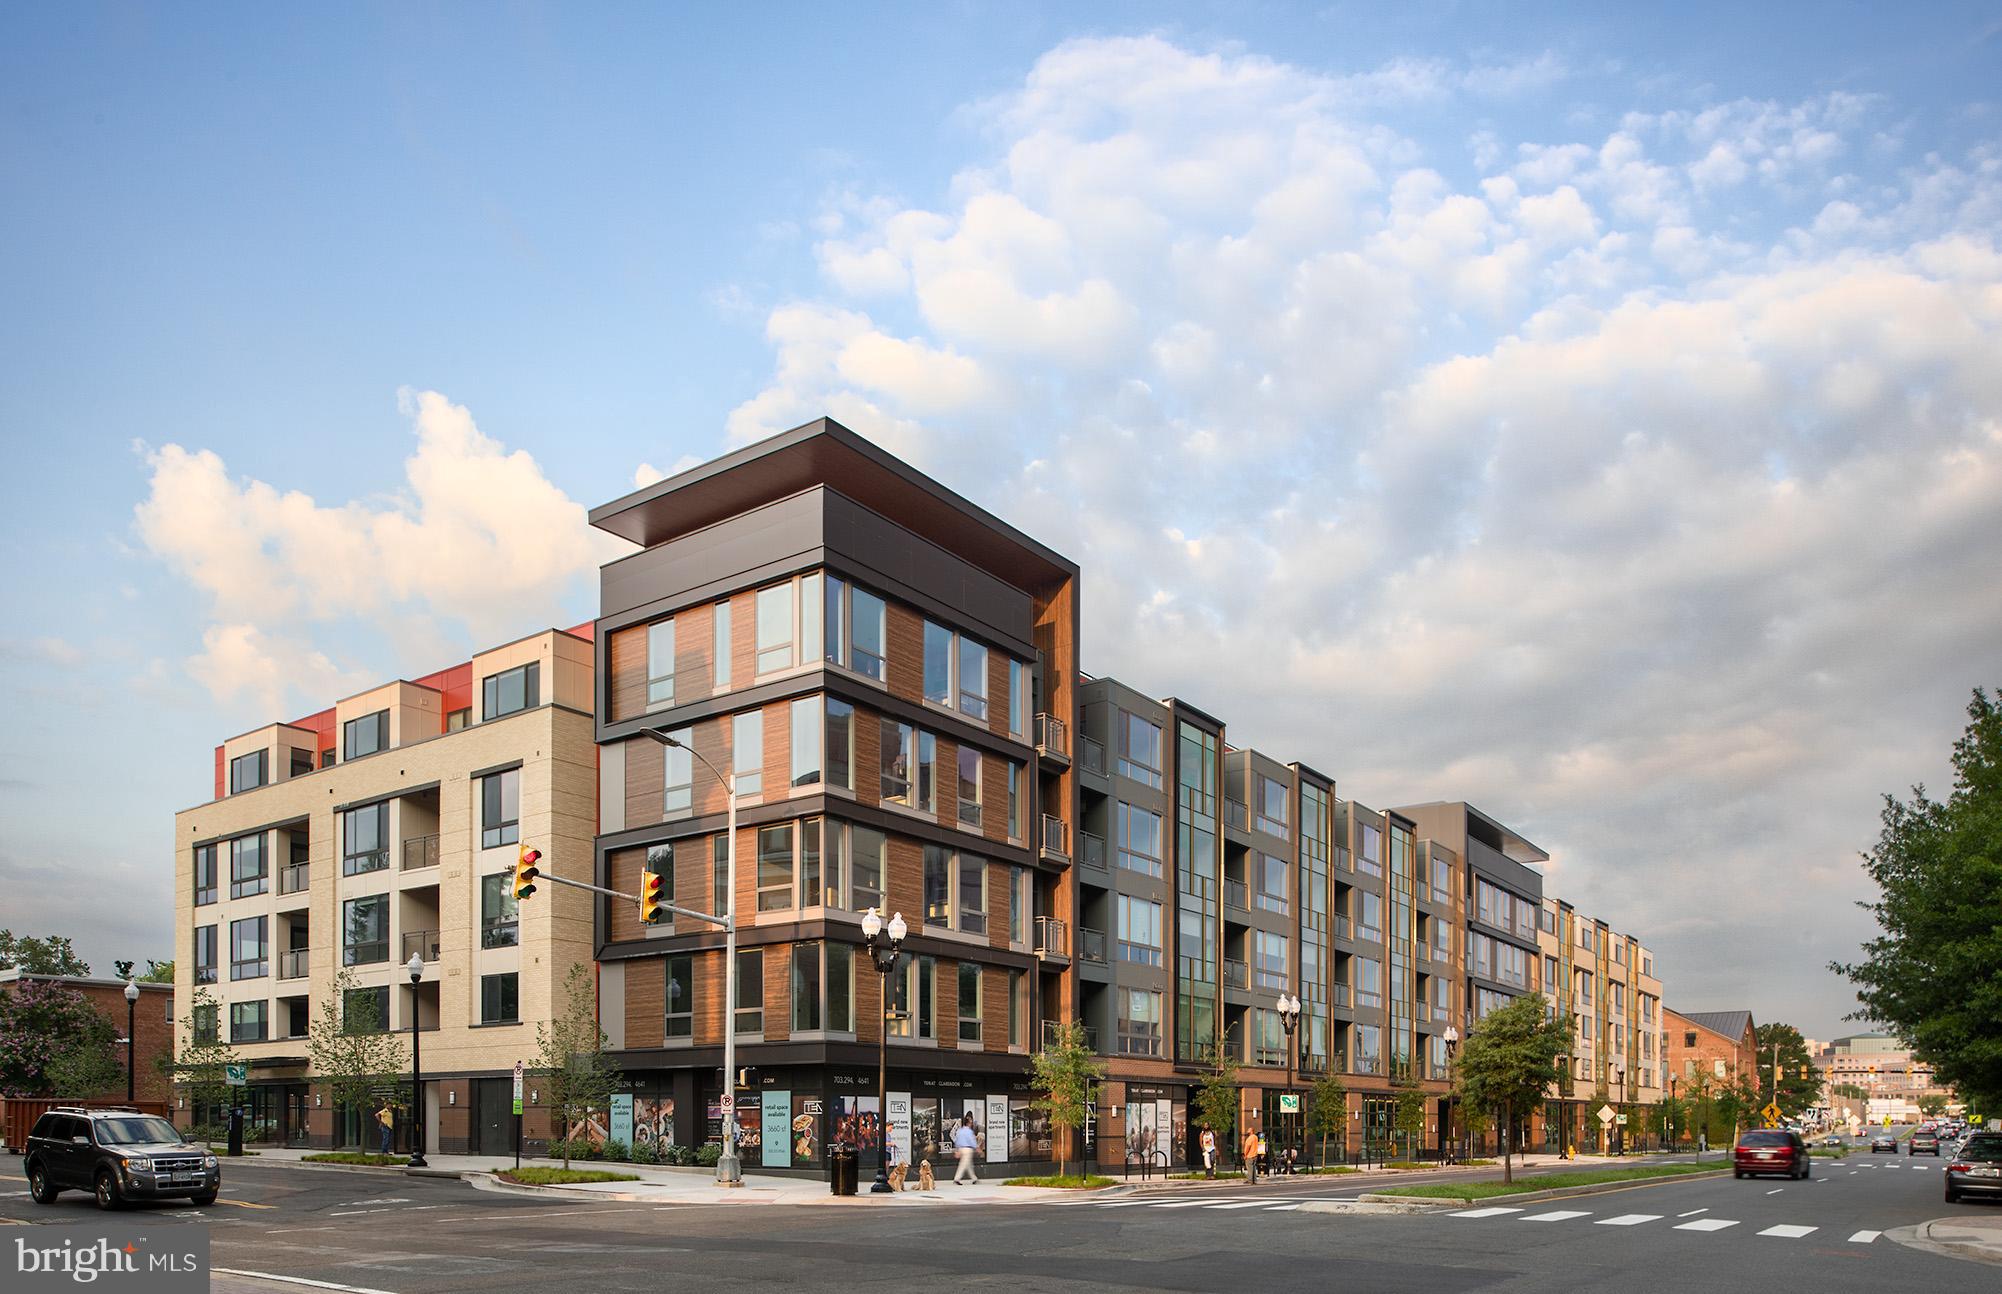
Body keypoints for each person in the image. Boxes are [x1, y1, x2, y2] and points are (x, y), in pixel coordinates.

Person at [952, 1113, 980, 1185]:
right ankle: (957, 1179)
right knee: (963, 1164)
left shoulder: (960, 1131)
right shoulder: (969, 1132)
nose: (971, 1124)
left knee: (969, 1165)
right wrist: (977, 1147)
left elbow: (957, 1141)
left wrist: (957, 1150)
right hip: (968, 1149)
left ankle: (974, 1179)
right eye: (970, 1122)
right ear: (968, 1123)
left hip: (961, 1149)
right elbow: (972, 1141)